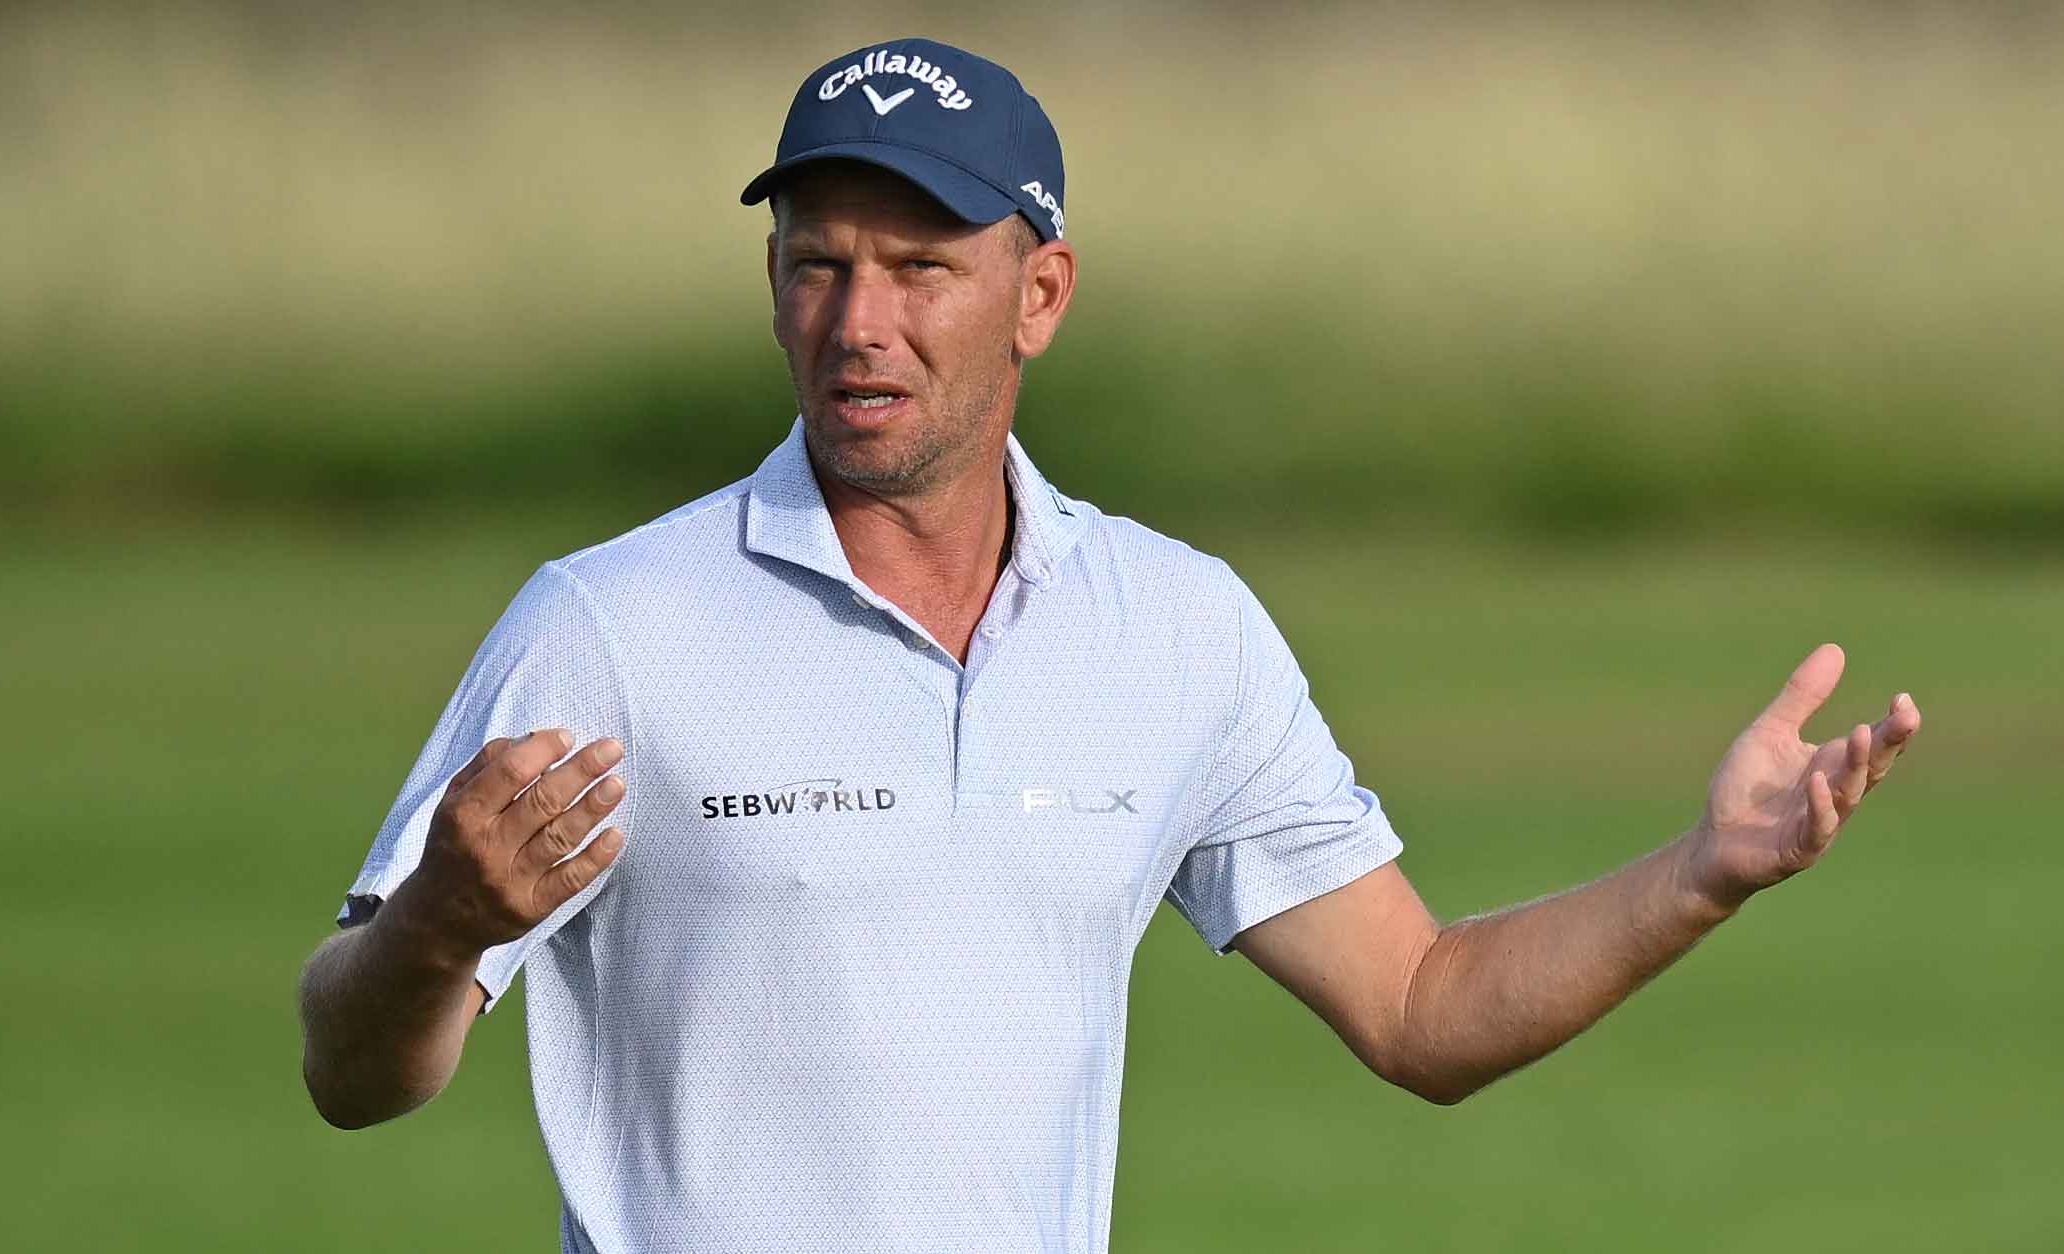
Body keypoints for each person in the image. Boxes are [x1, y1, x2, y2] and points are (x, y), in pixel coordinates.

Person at [296, 36, 1921, 1253]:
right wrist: (439, 925)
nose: (858, 321)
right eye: (816, 265)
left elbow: (1423, 1008)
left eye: (921, 267)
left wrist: (1700, 875)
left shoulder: (1174, 627)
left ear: (1040, 292)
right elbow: (350, 1069)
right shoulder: (612, 624)